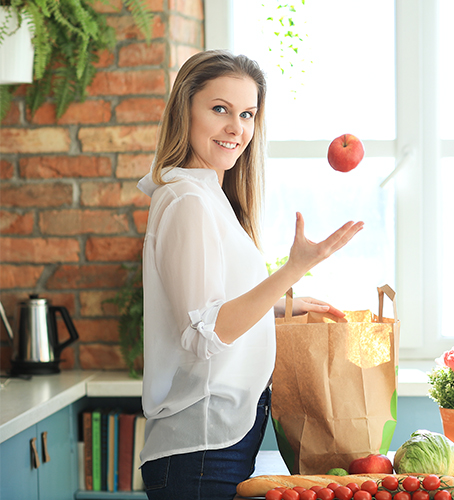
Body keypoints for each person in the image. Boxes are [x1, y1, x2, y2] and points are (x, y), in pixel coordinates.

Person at [136, 50, 363, 500]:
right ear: (186, 108)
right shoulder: (189, 203)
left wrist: (281, 306)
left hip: (219, 440)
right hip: (200, 448)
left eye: (247, 114)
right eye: (219, 109)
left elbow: (209, 306)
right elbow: (205, 333)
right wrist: (293, 271)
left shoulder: (209, 196)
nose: (236, 128)